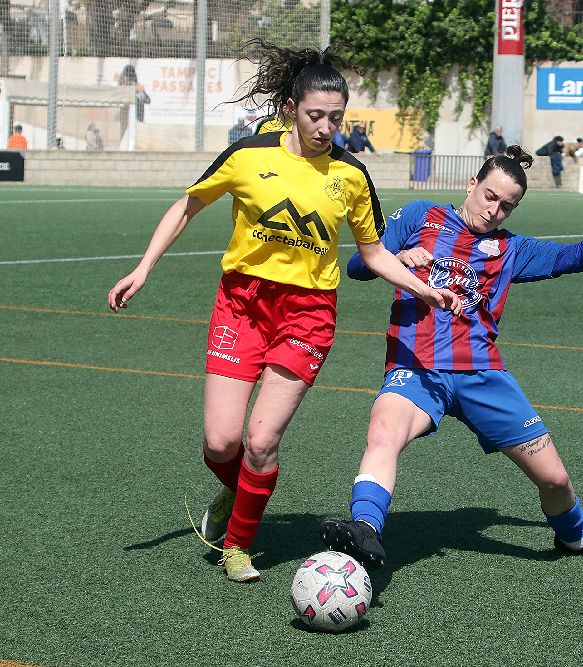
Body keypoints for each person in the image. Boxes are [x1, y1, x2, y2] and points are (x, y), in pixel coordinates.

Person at [107, 39, 461, 584]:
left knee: (262, 439)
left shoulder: (351, 176)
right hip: (241, 305)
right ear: (292, 108)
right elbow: (188, 205)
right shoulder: (249, 154)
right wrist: (144, 267)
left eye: (336, 118)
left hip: (309, 314)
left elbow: (372, 253)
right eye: (316, 115)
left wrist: (423, 288)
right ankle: (237, 488)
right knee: (222, 442)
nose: (325, 128)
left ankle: (238, 547)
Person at [318, 146, 583, 570]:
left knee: (555, 479)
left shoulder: (512, 249)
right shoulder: (421, 216)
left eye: (507, 206)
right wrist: (397, 257)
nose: (495, 211)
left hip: (483, 376)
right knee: (383, 434)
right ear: (472, 184)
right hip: (415, 370)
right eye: (490, 196)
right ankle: (364, 530)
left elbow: (579, 257)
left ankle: (575, 539)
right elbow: (358, 266)